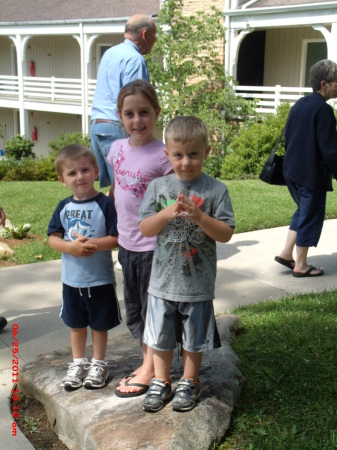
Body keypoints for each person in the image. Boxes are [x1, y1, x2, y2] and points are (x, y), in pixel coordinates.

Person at [138, 116, 235, 412]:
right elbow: (144, 228)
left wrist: (199, 217)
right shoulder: (158, 187)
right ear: (167, 154)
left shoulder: (216, 191)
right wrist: (166, 213)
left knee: (194, 339)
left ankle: (189, 381)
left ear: (206, 152)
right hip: (162, 283)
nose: (186, 162)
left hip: (198, 284)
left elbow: (226, 233)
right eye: (178, 155)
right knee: (161, 336)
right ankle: (162, 380)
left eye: (194, 154)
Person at [107, 80, 173, 397]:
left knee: (152, 310)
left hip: (154, 247)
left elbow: (178, 198)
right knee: (134, 309)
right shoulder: (116, 149)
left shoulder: (163, 155)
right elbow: (115, 190)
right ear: (120, 116)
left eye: (144, 112)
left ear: (157, 113)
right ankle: (147, 360)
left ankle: (149, 369)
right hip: (127, 246)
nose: (137, 121)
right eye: (129, 113)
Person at [47, 145, 121, 390]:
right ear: (62, 180)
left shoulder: (105, 205)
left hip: (99, 279)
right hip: (72, 280)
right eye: (72, 173)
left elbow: (116, 238)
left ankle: (98, 364)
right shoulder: (63, 206)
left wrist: (92, 244)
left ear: (96, 171)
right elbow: (53, 238)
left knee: (99, 325)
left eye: (85, 170)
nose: (80, 176)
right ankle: (78, 363)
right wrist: (71, 248)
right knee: (76, 325)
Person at [275, 59, 337, 278]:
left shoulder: (300, 104)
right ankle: (301, 265)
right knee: (311, 215)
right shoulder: (324, 110)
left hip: (292, 171)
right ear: (324, 83)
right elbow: (330, 150)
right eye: (336, 81)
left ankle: (286, 253)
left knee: (303, 212)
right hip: (310, 175)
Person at [90, 14, 157, 188]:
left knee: (116, 189)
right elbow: (136, 100)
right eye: (154, 35)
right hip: (116, 129)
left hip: (97, 128)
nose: (155, 40)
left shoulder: (110, 53)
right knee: (128, 188)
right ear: (144, 34)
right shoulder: (135, 59)